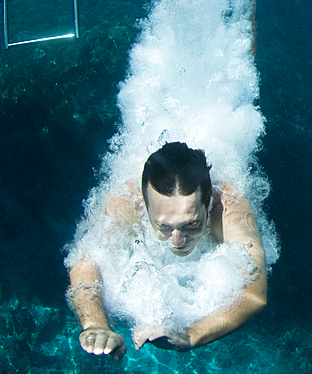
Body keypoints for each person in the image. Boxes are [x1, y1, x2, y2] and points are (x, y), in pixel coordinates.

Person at [67, 141, 266, 361]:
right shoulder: (125, 203)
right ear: (144, 205)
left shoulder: (229, 208)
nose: (177, 240)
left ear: (208, 202)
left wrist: (191, 336)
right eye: (163, 226)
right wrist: (96, 325)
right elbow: (85, 260)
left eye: (191, 224)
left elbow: (253, 295)